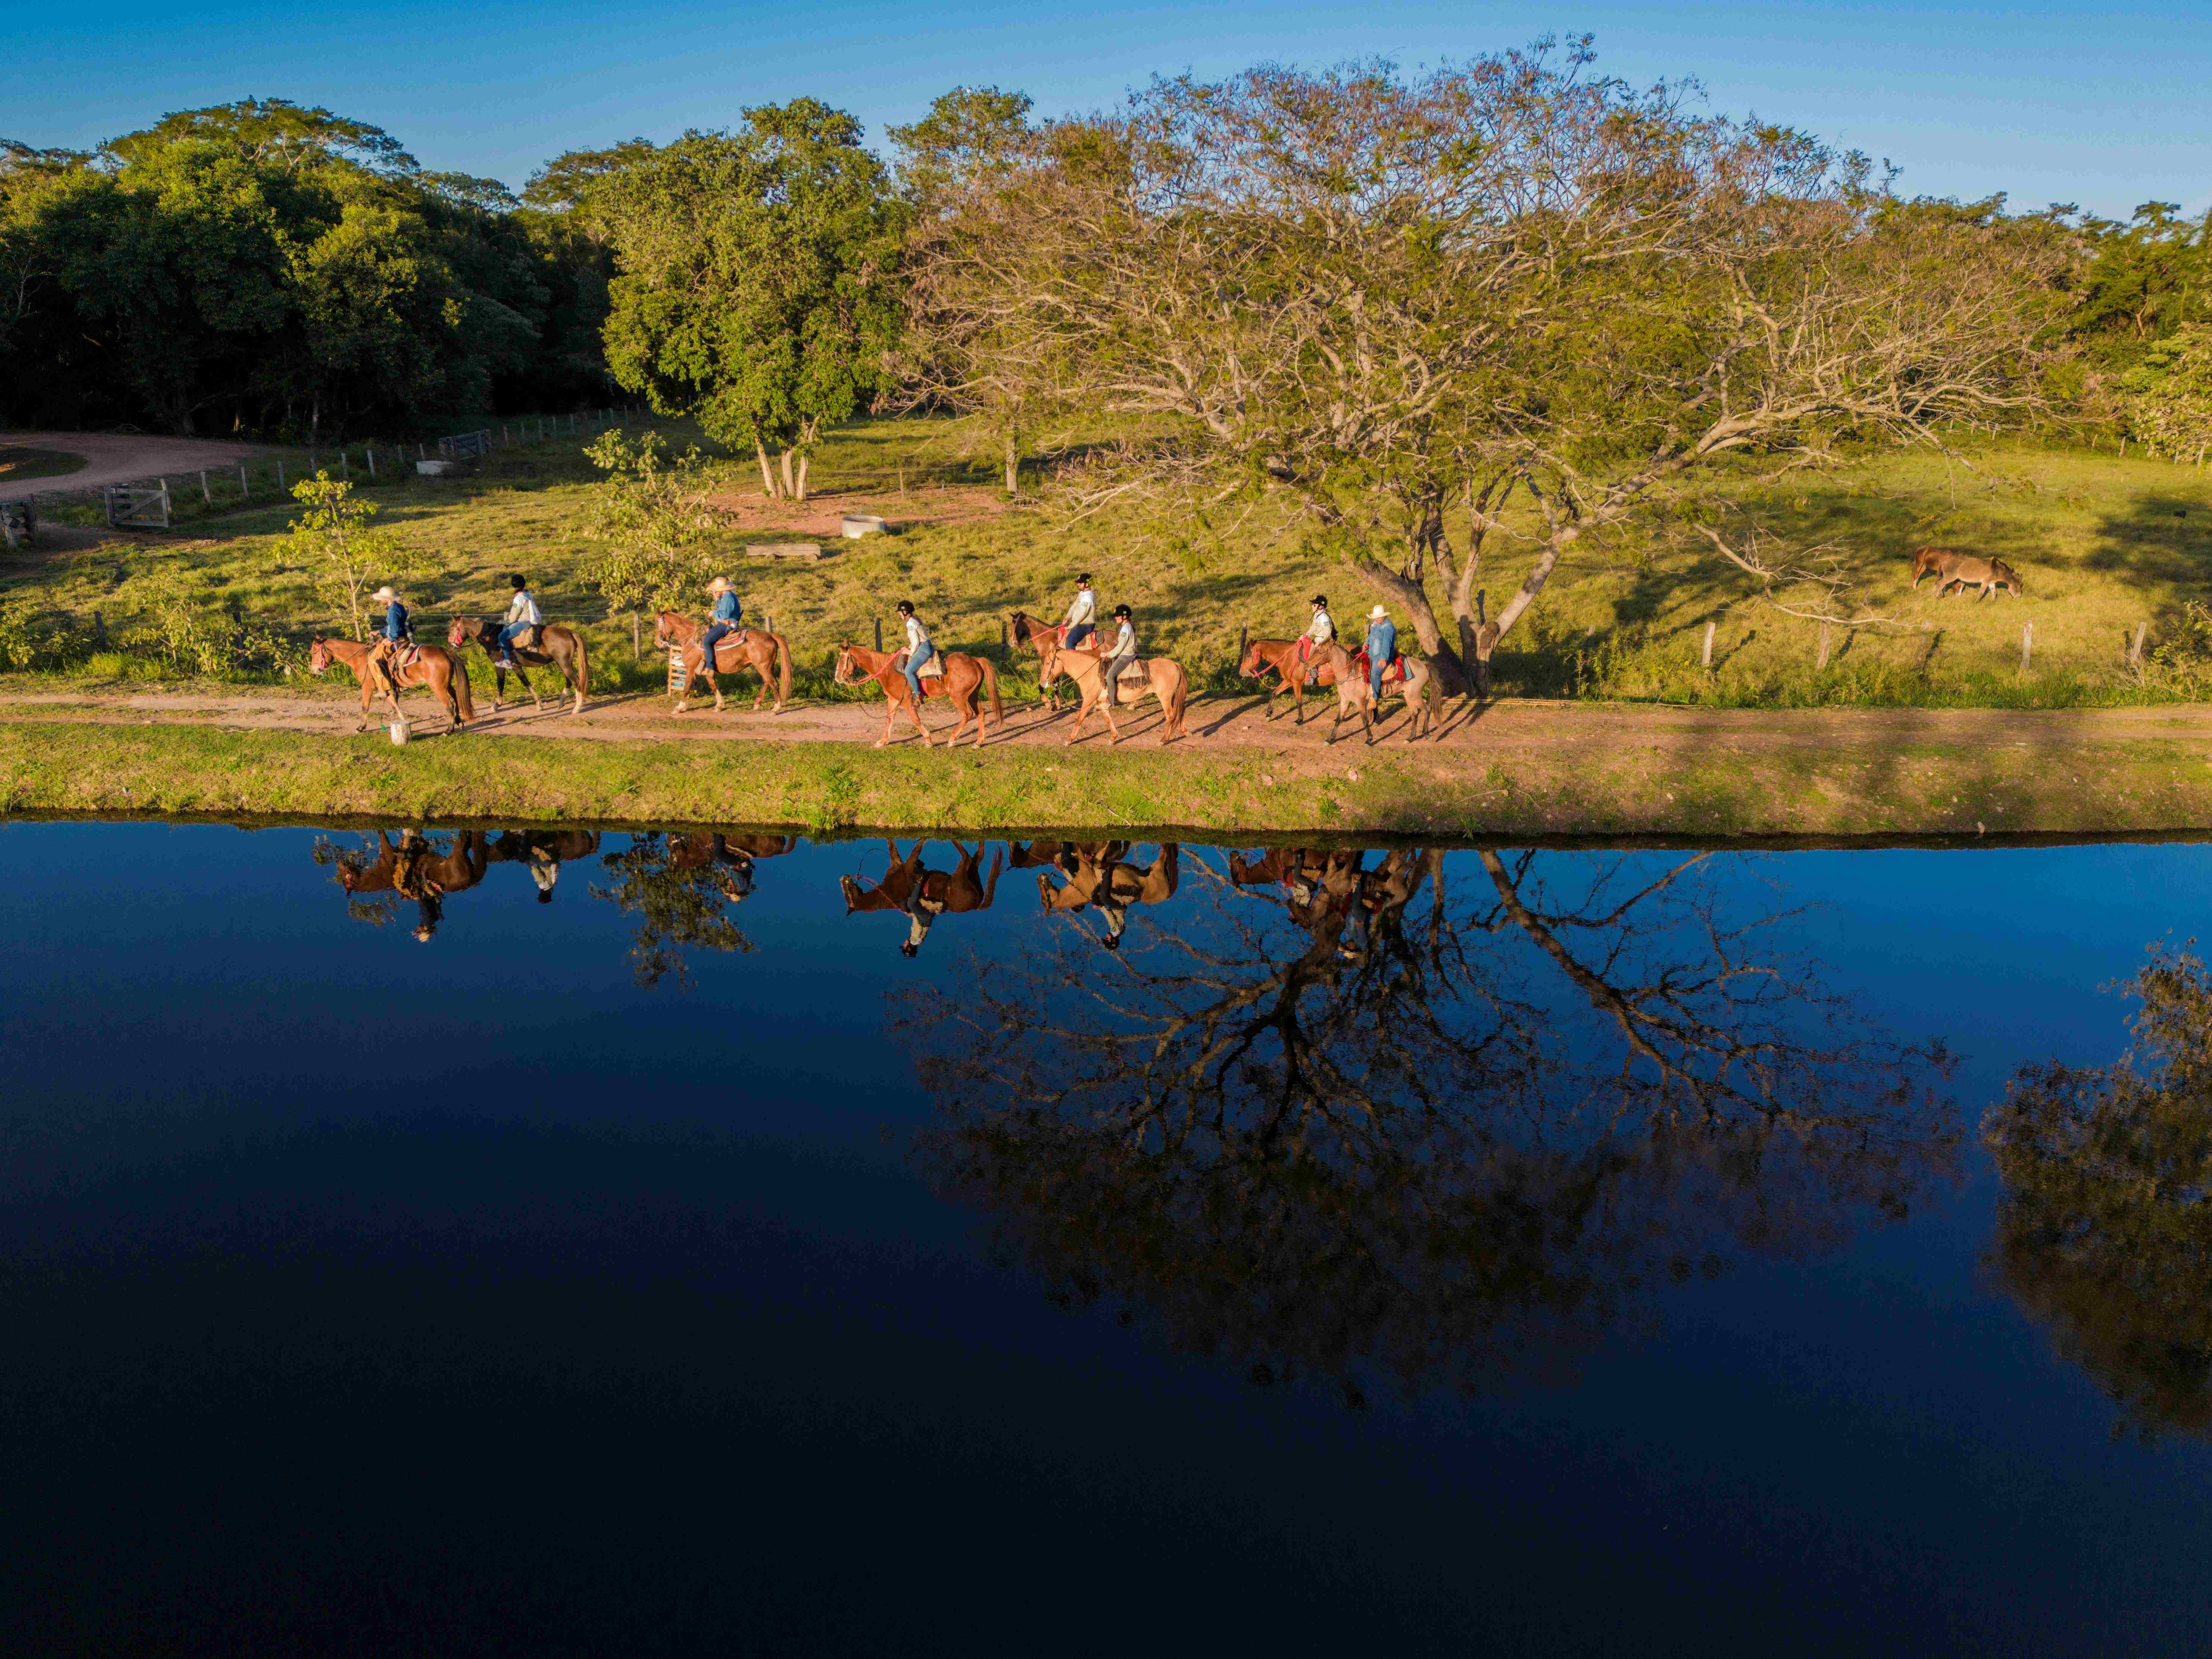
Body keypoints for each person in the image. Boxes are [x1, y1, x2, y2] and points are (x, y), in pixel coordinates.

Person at [366, 584, 411, 699]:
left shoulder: (393, 611)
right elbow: (392, 626)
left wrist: (389, 640)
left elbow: (394, 631)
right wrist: (378, 632)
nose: (381, 600)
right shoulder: (397, 607)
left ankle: (384, 688)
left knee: (373, 660)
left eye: (382, 598)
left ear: (387, 599)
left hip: (398, 641)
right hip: (402, 638)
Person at [895, 600, 937, 709]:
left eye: (900, 612)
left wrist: (910, 651)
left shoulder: (910, 623)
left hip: (923, 649)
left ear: (905, 612)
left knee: (909, 671)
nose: (899, 614)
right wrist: (909, 648)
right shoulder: (916, 618)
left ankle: (918, 696)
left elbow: (915, 641)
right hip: (926, 646)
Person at [496, 573, 543, 670]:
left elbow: (513, 618)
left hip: (524, 622)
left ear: (513, 585)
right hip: (532, 620)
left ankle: (507, 661)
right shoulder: (528, 594)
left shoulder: (519, 598)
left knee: (502, 637)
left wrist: (504, 622)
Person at [699, 576, 743, 677]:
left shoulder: (728, 597)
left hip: (727, 624)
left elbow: (725, 615)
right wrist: (717, 599)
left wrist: (713, 613)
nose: (714, 592)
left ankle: (710, 668)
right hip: (726, 622)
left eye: (715, 590)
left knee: (707, 641)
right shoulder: (726, 596)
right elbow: (722, 608)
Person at [1102, 604, 1138, 707]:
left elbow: (1121, 646)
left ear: (1124, 617)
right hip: (1124, 653)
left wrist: (1108, 655)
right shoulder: (1126, 627)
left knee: (1110, 676)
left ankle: (1112, 702)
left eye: (1118, 616)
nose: (1116, 618)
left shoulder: (1126, 629)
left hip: (1126, 656)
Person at [1363, 604, 1397, 704]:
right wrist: (1367, 643)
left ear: (1384, 616)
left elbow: (1387, 644)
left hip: (1382, 655)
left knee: (1374, 674)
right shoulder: (1376, 624)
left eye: (1378, 618)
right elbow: (1371, 636)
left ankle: (1375, 697)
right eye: (1376, 618)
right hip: (1372, 652)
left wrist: (1383, 658)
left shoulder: (1388, 628)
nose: (1377, 620)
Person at [1300, 594, 1335, 687]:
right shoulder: (1317, 615)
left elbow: (1328, 633)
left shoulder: (1324, 617)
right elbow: (1313, 628)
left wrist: (1320, 643)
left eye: (1314, 605)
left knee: (1312, 656)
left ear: (1321, 607)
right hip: (1317, 640)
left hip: (1324, 642)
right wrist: (1306, 635)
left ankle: (1312, 677)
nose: (1312, 606)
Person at [1062, 573, 1097, 649]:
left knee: (1070, 640)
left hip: (1086, 625)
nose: (1078, 584)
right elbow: (1075, 605)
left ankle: (1072, 659)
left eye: (1081, 583)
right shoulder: (1083, 593)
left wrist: (1070, 627)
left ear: (1087, 584)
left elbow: (1081, 615)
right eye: (1078, 583)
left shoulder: (1088, 598)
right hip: (1080, 623)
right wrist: (1068, 617)